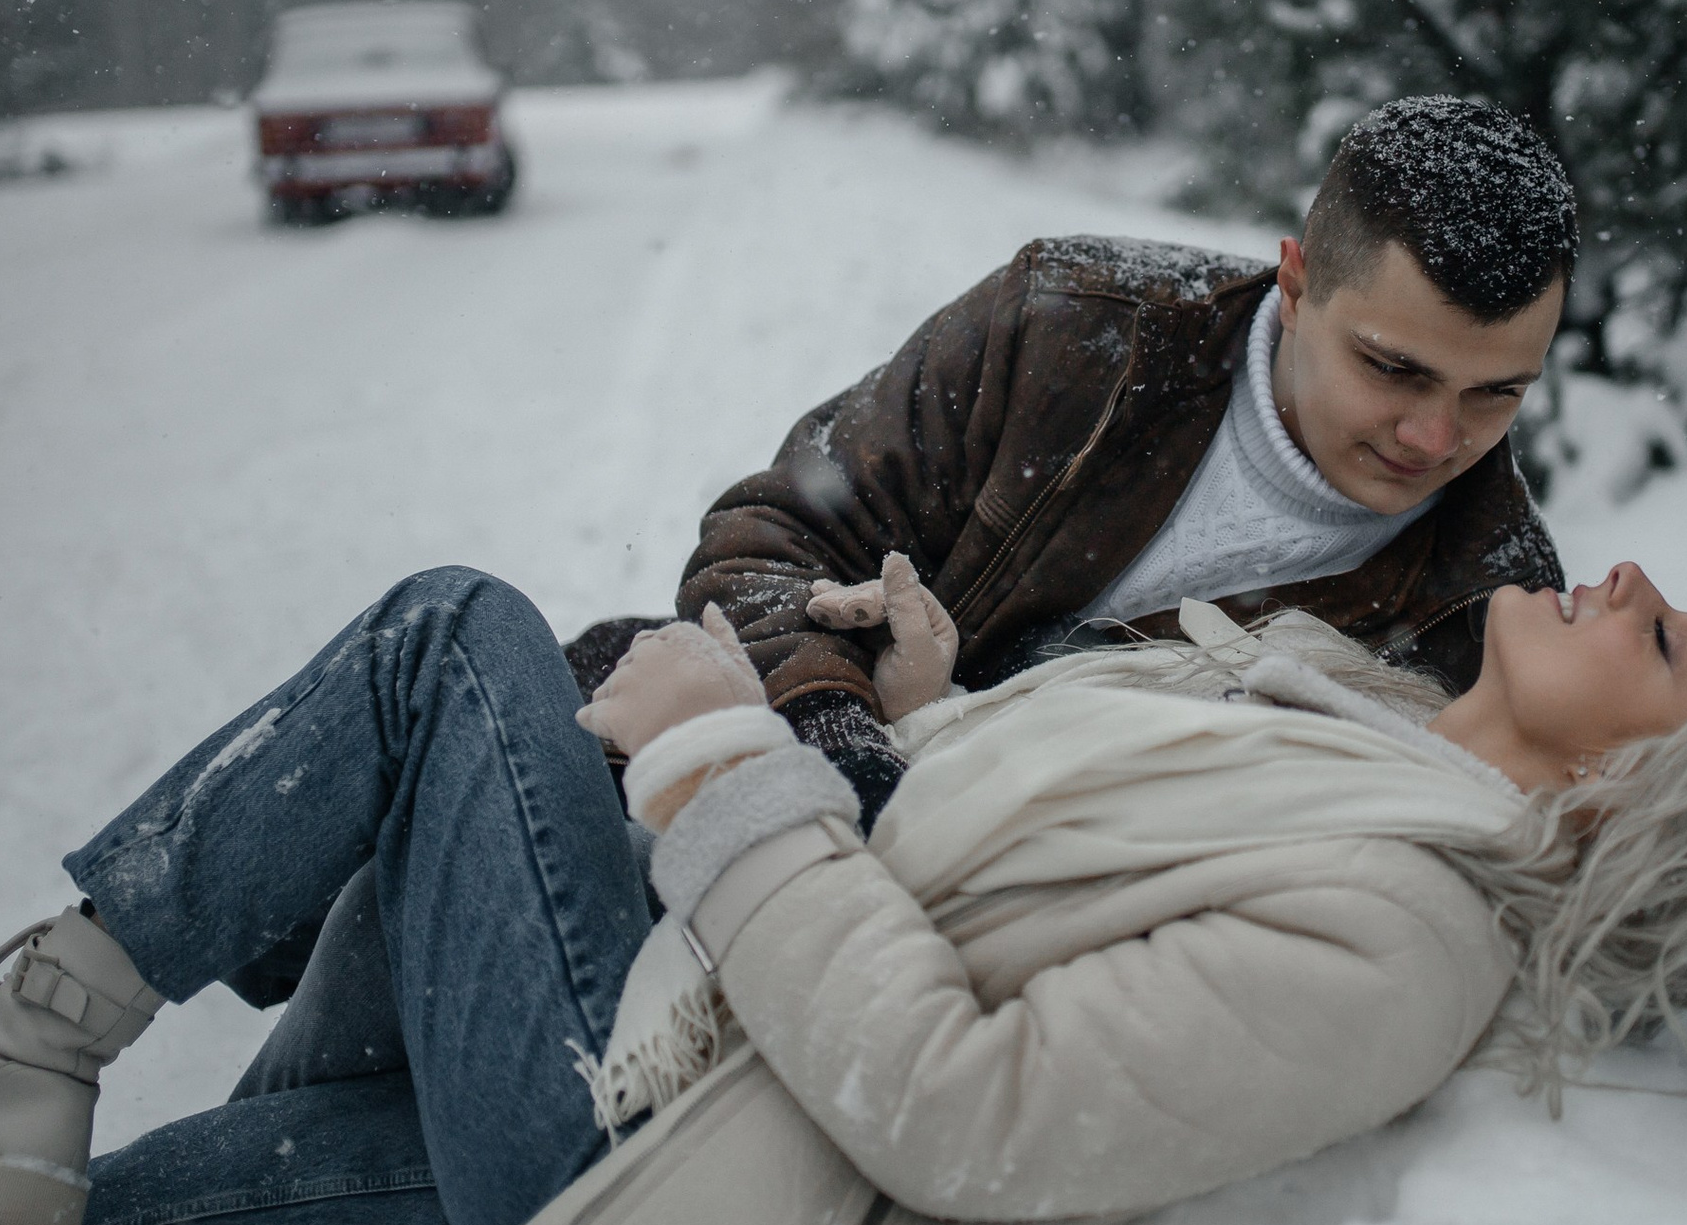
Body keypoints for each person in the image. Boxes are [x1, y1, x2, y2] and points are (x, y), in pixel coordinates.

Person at [0, 551, 1687, 1225]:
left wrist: (719, 756)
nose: (1627, 576)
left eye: (1670, 637)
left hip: (655, 1148)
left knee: (456, 641)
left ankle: (15, 1055)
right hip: (678, 1059)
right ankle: (3, 1103)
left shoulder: (1410, 935)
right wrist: (948, 711)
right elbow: (1031, 872)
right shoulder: (1342, 721)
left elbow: (962, 1107)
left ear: (1635, 795)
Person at [591, 93, 1583, 831]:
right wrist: (847, 757)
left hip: (976, 939)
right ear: (1296, 282)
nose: (1435, 439)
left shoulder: (1493, 614)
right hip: (738, 761)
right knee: (511, 659)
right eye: (1393, 369)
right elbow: (772, 540)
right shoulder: (1074, 331)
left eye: (1497, 392)